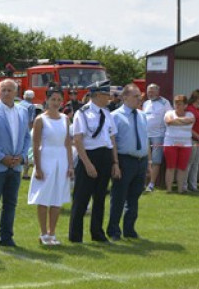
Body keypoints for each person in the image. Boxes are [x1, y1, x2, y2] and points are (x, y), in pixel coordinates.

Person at [0, 79, 31, 247]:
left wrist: (22, 157)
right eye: (4, 90)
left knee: (10, 204)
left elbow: (26, 137)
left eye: (10, 90)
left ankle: (7, 237)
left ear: (16, 92)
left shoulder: (22, 112)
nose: (6, 93)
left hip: (16, 165)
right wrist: (2, 157)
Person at [69, 83, 120, 244]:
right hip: (88, 156)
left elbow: (112, 139)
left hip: (105, 156)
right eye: (106, 95)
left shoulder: (107, 113)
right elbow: (78, 140)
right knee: (81, 198)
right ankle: (76, 236)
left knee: (99, 198)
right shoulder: (82, 113)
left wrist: (115, 162)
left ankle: (97, 233)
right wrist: (87, 164)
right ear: (97, 95)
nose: (109, 98)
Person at [27, 86, 72, 245]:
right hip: (46, 158)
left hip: (61, 159)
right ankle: (43, 233)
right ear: (47, 100)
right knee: (44, 197)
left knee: (57, 198)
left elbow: (67, 143)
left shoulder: (65, 119)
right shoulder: (40, 119)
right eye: (53, 99)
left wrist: (70, 165)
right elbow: (36, 143)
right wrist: (37, 167)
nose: (56, 102)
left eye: (59, 99)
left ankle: (52, 233)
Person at [107, 84, 150, 240]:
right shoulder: (115, 116)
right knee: (118, 197)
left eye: (140, 96)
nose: (139, 99)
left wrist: (148, 164)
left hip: (141, 160)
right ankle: (113, 230)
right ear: (125, 98)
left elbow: (146, 140)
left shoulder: (142, 115)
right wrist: (115, 163)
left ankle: (129, 229)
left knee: (134, 197)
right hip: (124, 160)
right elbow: (113, 143)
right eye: (136, 96)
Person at [141, 84, 172, 192]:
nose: (150, 93)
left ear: (158, 92)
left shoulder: (165, 102)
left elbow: (170, 116)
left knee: (156, 160)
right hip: (145, 135)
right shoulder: (145, 103)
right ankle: (143, 183)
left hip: (158, 135)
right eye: (149, 91)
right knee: (144, 159)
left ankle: (151, 184)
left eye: (153, 91)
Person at [162, 95, 195, 193]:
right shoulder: (169, 113)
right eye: (176, 103)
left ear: (185, 105)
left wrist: (175, 121)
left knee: (182, 167)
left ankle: (180, 190)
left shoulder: (190, 114)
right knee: (170, 167)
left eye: (180, 104)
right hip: (170, 143)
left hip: (186, 144)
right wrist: (183, 121)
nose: (177, 106)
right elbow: (168, 121)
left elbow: (190, 121)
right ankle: (169, 189)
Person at [185, 89, 199, 192]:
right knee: (189, 163)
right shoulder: (190, 109)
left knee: (195, 164)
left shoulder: (198, 110)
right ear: (198, 98)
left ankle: (193, 186)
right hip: (193, 140)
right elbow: (189, 128)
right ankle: (184, 186)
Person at [18, 89, 36, 179]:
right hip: (27, 131)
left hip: (18, 131)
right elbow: (31, 121)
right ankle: (25, 173)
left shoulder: (19, 104)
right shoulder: (31, 106)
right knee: (27, 151)